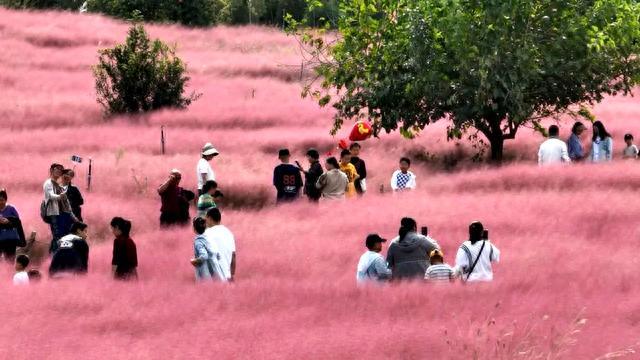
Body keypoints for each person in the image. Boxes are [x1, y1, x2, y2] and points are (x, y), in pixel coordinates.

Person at [43, 163, 77, 253]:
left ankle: (57, 256)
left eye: (60, 170)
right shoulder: (48, 183)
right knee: (57, 236)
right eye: (56, 169)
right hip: (54, 214)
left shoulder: (59, 186)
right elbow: (50, 195)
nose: (59, 171)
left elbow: (67, 205)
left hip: (63, 215)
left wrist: (74, 218)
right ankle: (53, 257)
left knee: (62, 237)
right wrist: (60, 196)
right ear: (51, 170)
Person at [204, 208, 235, 282]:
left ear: (210, 218)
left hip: (213, 279)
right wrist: (232, 276)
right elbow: (233, 256)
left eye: (206, 219)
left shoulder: (206, 234)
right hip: (227, 278)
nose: (205, 221)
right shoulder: (229, 233)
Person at [190, 217, 224, 282]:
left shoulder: (198, 242)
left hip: (205, 275)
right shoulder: (209, 238)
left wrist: (195, 261)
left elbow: (204, 256)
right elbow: (218, 255)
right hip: (217, 272)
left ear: (194, 229)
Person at [0, 189, 26, 262]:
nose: (0, 202)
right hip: (0, 239)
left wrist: (9, 221)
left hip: (10, 240)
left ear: (5, 200)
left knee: (10, 260)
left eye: (2, 200)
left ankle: (8, 272)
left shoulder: (11, 208)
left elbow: (18, 221)